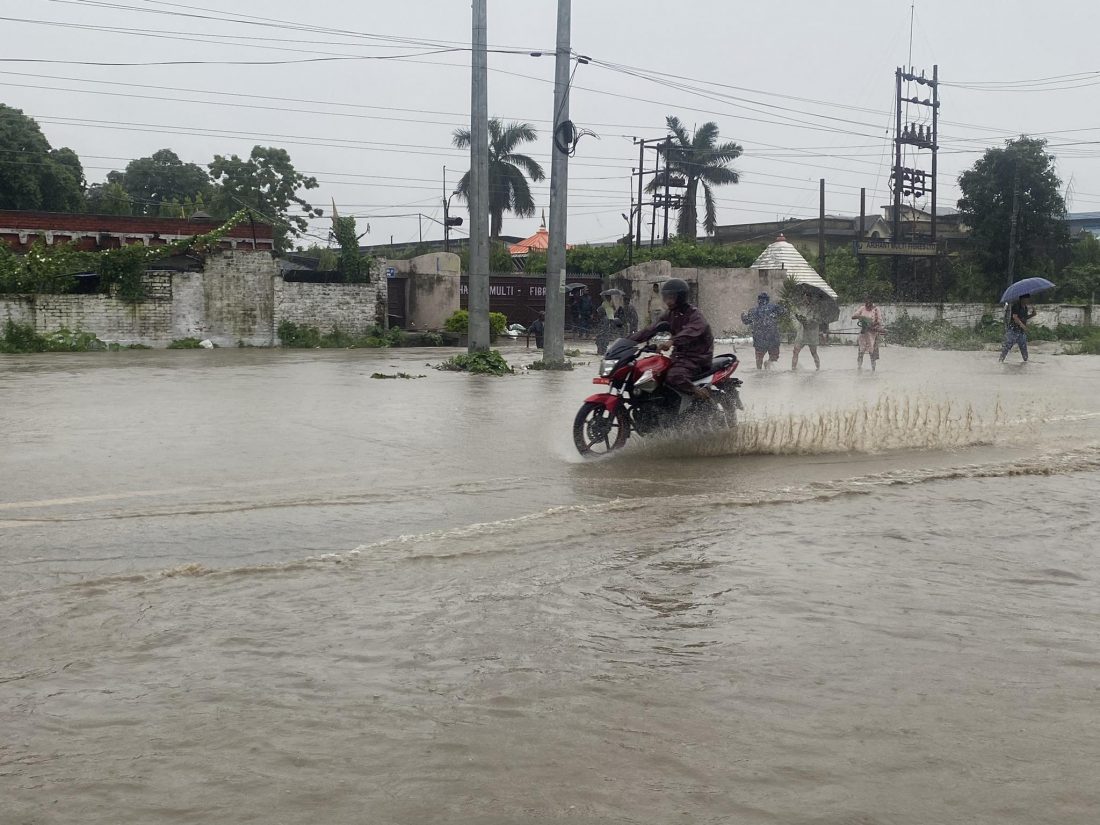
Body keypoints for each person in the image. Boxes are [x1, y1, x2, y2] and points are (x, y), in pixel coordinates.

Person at [630, 278, 714, 401]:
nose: (668, 301)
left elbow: (690, 331)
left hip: (697, 358)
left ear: (680, 297)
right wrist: (627, 341)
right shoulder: (670, 314)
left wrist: (672, 341)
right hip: (679, 357)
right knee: (652, 373)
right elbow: (651, 329)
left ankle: (699, 393)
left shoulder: (695, 315)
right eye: (666, 297)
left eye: (672, 297)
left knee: (674, 376)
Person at [741, 292, 788, 369]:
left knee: (759, 358)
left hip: (759, 339)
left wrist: (742, 315)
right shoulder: (774, 307)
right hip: (772, 338)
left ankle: (759, 372)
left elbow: (746, 321)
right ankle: (768, 363)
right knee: (774, 356)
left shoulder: (753, 311)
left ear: (758, 301)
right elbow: (784, 312)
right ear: (768, 300)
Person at [851, 296, 885, 371]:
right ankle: (859, 368)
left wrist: (872, 324)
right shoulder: (862, 308)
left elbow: (879, 321)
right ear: (865, 302)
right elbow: (853, 316)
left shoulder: (876, 310)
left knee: (872, 353)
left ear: (872, 303)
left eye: (870, 303)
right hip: (863, 333)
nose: (868, 304)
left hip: (873, 334)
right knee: (861, 351)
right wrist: (861, 317)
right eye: (867, 303)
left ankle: (873, 370)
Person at [999, 294, 1036, 362]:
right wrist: (1022, 325)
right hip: (1013, 331)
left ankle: (1025, 363)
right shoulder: (1016, 306)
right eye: (1027, 299)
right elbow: (1015, 317)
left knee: (1024, 350)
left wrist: (1033, 314)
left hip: (1021, 332)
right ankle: (1000, 361)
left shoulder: (1025, 307)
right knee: (1007, 347)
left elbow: (1024, 318)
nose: (1028, 300)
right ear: (1022, 299)